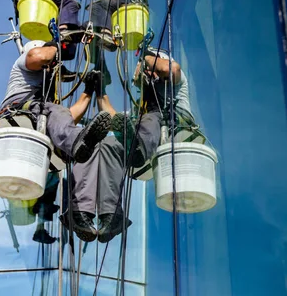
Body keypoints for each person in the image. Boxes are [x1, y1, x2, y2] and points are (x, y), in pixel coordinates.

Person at [61, 48, 195, 243]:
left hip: (169, 127)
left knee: (149, 118)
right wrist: (99, 90)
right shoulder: (139, 107)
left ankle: (138, 146)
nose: (136, 73)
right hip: (142, 138)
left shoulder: (175, 86)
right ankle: (98, 213)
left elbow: (171, 70)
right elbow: (113, 118)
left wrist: (146, 58)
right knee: (100, 142)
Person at [0, 40, 111, 164]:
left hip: (35, 114)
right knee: (54, 110)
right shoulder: (23, 64)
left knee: (58, 112)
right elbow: (38, 56)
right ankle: (75, 141)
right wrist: (54, 47)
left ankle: (78, 141)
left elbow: (65, 119)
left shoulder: (47, 103)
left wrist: (88, 91)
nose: (52, 66)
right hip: (17, 109)